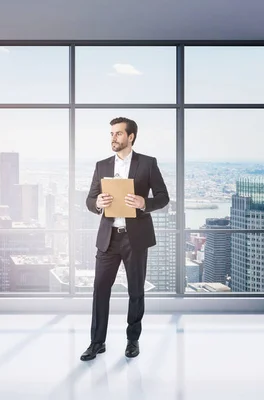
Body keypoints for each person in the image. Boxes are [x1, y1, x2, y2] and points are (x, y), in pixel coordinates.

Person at [80, 117, 169, 361]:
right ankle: (97, 342)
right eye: (111, 133)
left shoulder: (147, 164)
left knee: (136, 290)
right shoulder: (102, 166)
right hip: (108, 238)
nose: (113, 138)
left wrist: (144, 203)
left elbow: (163, 197)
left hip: (135, 238)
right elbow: (90, 199)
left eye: (118, 134)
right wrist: (97, 203)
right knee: (100, 290)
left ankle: (132, 340)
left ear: (131, 137)